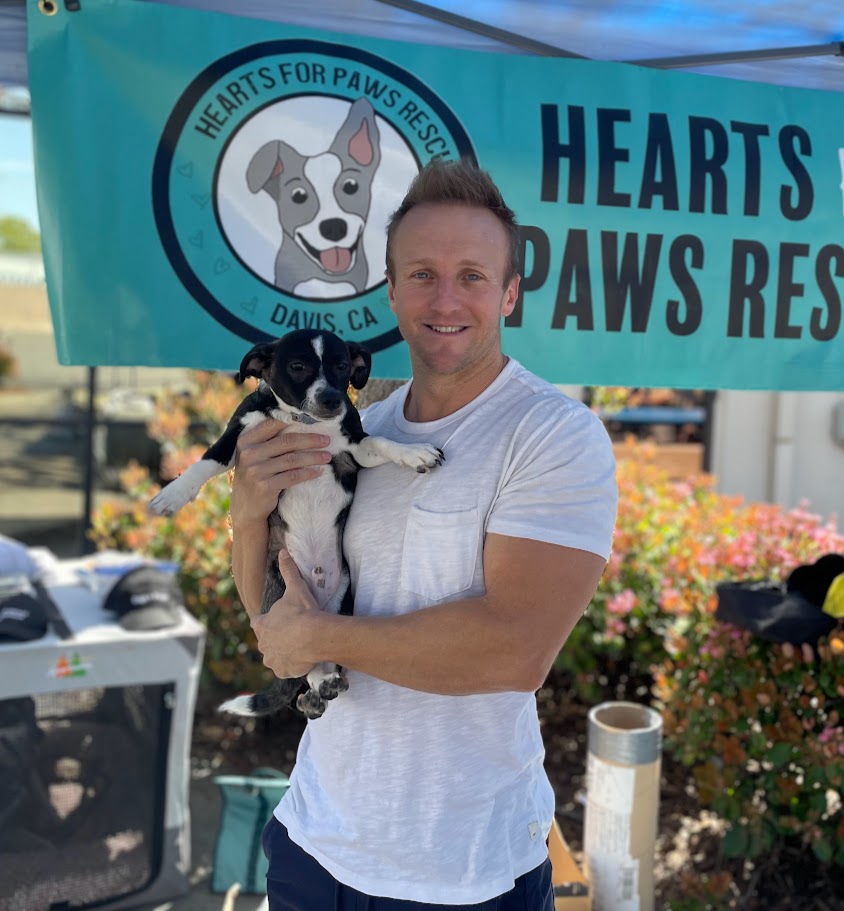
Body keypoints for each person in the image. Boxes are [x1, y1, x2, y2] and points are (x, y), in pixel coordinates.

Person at [228, 159, 618, 910]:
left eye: (472, 275)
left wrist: (318, 637)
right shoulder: (356, 425)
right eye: (423, 273)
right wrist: (248, 514)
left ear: (509, 292)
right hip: (315, 841)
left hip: (460, 868)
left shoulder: (552, 435)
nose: (446, 298)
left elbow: (514, 649)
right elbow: (275, 618)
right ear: (392, 290)